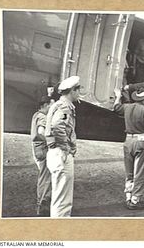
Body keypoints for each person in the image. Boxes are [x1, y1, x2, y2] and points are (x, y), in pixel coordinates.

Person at [45, 76, 81, 217]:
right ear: (72, 91)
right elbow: (57, 125)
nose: (79, 93)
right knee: (63, 200)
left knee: (59, 196)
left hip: (55, 152)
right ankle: (60, 229)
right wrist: (65, 147)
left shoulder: (58, 105)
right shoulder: (65, 106)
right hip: (61, 153)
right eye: (78, 89)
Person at [30, 96, 53, 216]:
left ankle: (42, 203)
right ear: (45, 105)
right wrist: (52, 141)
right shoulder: (43, 117)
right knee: (44, 178)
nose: (52, 108)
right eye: (51, 105)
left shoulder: (36, 115)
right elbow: (41, 132)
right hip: (43, 150)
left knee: (43, 177)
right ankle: (41, 205)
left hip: (37, 150)